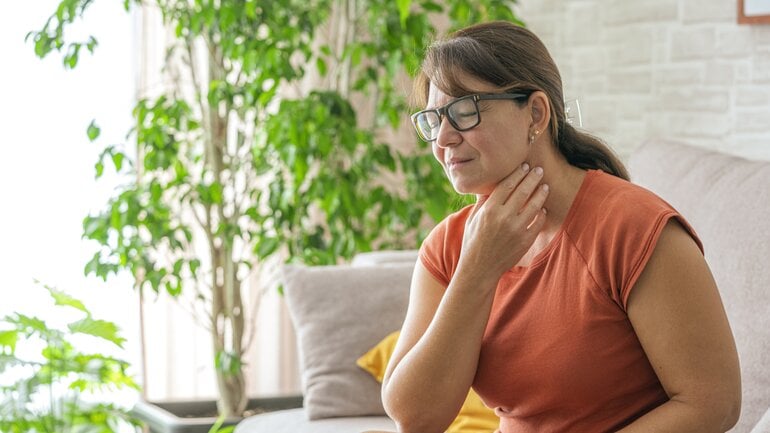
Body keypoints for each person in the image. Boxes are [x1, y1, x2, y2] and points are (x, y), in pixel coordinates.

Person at [379, 21, 741, 433]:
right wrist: (476, 271)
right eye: (434, 118)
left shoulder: (633, 227)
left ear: (535, 113)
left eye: (465, 111)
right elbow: (414, 418)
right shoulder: (449, 246)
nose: (443, 138)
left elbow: (713, 403)